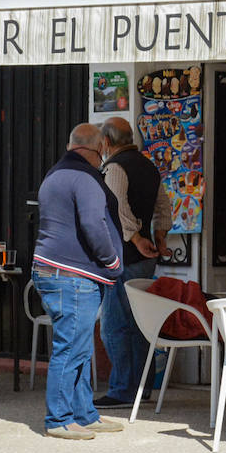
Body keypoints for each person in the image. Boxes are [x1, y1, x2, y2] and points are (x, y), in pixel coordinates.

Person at [31, 124, 124, 440]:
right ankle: (58, 419)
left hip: (61, 273)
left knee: (79, 348)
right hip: (72, 276)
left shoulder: (56, 174)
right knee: (71, 348)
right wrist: (112, 261)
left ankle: (85, 414)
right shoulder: (84, 178)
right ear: (100, 147)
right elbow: (93, 225)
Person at [94, 116, 172, 409]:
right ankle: (143, 388)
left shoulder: (114, 167)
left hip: (124, 255)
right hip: (146, 257)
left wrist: (135, 237)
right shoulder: (149, 165)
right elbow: (163, 205)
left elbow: (117, 207)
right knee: (140, 323)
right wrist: (160, 237)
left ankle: (123, 390)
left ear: (107, 142)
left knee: (114, 326)